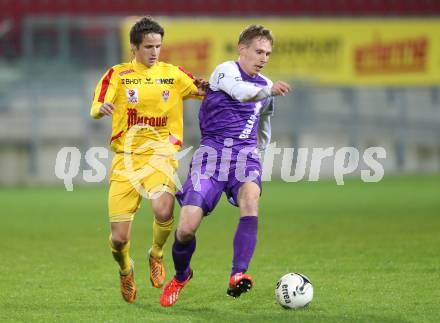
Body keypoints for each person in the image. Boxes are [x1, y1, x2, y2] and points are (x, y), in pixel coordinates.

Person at [160, 24, 291, 307]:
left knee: (250, 199)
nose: (264, 57)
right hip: (212, 155)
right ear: (242, 49)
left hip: (244, 157)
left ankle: (238, 274)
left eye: (268, 53)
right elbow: (242, 93)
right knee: (185, 228)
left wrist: (259, 151)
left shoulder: (265, 86)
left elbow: (264, 123)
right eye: (258, 51)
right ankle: (182, 275)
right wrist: (268, 90)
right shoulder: (224, 72)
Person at [90, 16, 206, 303]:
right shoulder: (117, 75)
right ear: (134, 47)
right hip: (126, 160)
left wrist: (212, 87)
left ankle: (156, 253)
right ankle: (126, 269)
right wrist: (100, 108)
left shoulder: (173, 74)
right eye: (148, 47)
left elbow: (203, 90)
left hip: (161, 155)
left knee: (163, 208)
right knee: (118, 239)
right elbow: (96, 105)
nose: (155, 52)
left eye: (158, 46)